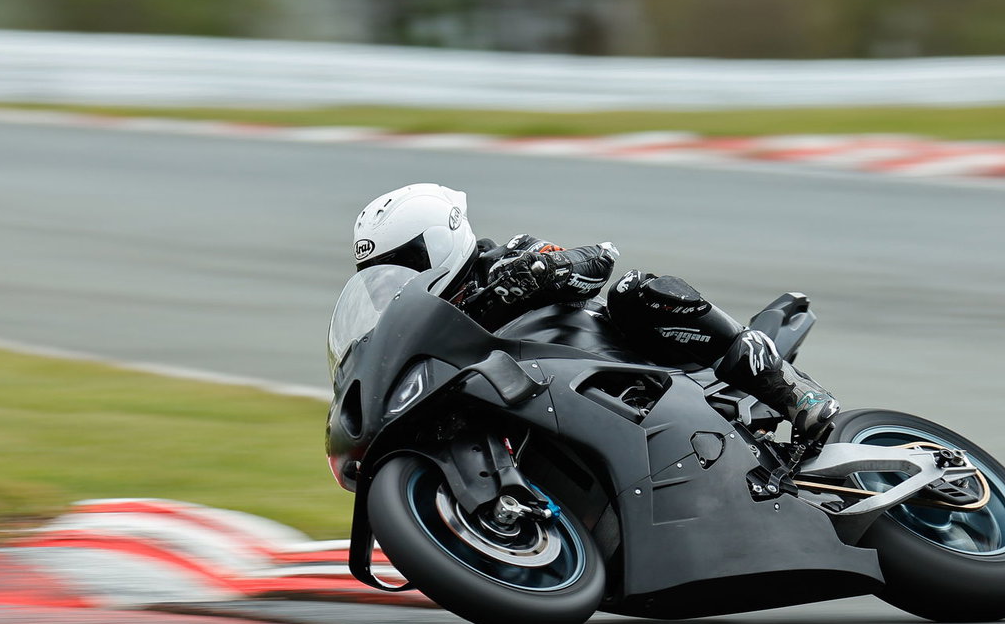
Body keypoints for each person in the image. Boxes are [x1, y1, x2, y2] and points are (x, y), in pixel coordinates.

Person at [352, 183, 839, 442]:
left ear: (440, 241)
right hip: (543, 407)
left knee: (636, 290)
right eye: (380, 273)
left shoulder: (508, 259)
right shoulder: (421, 324)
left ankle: (787, 386)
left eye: (404, 263)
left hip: (623, 365)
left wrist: (535, 274)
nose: (394, 280)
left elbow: (598, 260)